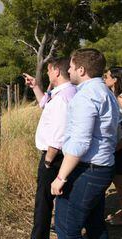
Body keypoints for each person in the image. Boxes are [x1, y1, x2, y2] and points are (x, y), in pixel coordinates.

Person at [51, 48, 120, 239]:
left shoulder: (86, 96)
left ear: (81, 70)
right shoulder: (105, 93)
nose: (69, 71)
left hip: (88, 169)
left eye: (72, 67)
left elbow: (80, 142)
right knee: (94, 224)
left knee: (66, 227)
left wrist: (61, 177)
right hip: (102, 167)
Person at [23, 57, 77, 239]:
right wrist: (36, 87)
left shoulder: (62, 97)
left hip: (54, 157)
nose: (47, 73)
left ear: (56, 71)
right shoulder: (66, 92)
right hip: (62, 155)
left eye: (48, 70)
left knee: (43, 203)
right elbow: (46, 105)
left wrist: (48, 160)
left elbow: (58, 134)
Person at [103, 67, 122, 225]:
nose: (104, 78)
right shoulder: (112, 96)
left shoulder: (121, 98)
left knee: (120, 185)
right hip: (113, 146)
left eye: (107, 76)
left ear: (115, 79)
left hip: (119, 148)